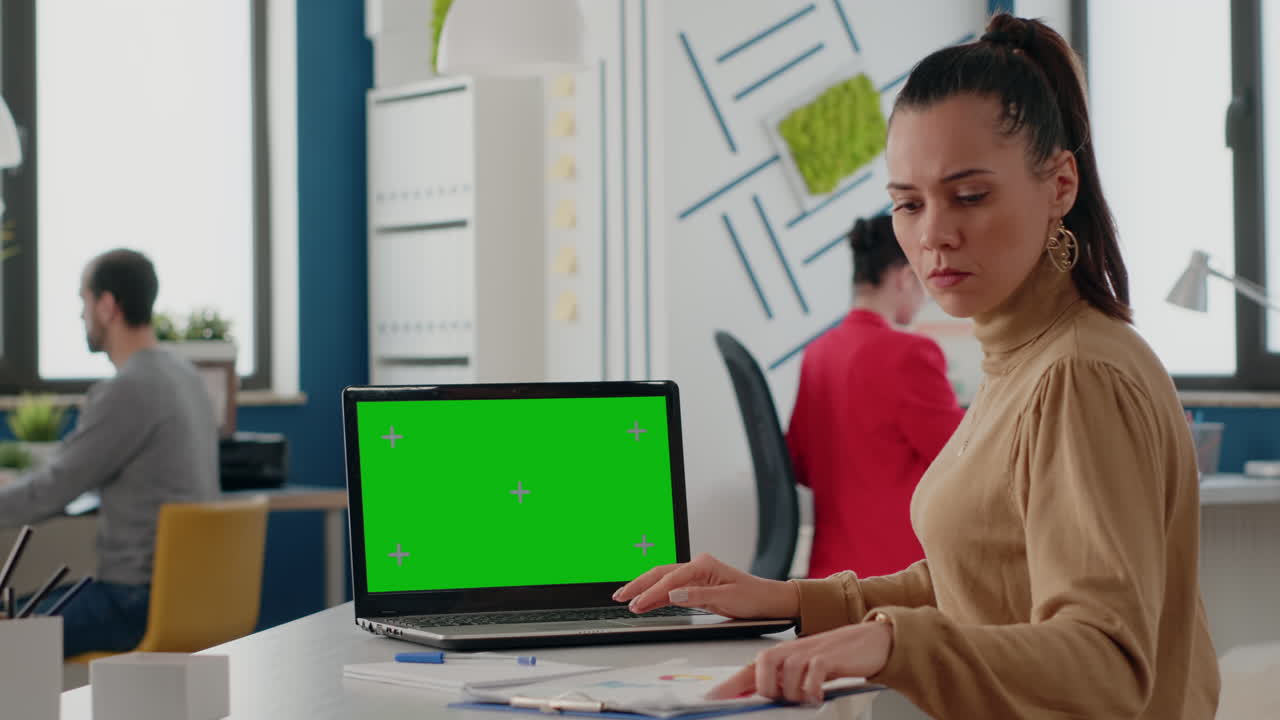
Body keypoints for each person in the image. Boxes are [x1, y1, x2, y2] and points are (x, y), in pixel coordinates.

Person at [616, 14, 1219, 719]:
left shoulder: (1076, 374)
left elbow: (1108, 666)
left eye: (969, 196)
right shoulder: (1019, 358)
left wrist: (892, 644)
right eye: (908, 203)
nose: (931, 235)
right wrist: (785, 600)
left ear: (1060, 185)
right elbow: (981, 581)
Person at [0, 249, 219, 657]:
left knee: (10, 638)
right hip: (190, 596)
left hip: (133, 603)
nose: (81, 315)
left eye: (83, 301)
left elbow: (52, 491)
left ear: (107, 305)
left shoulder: (128, 388)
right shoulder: (184, 376)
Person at [788, 214, 964, 579]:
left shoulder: (817, 353)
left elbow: (800, 465)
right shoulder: (909, 353)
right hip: (899, 579)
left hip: (828, 582)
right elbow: (967, 458)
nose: (925, 296)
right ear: (903, 277)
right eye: (923, 283)